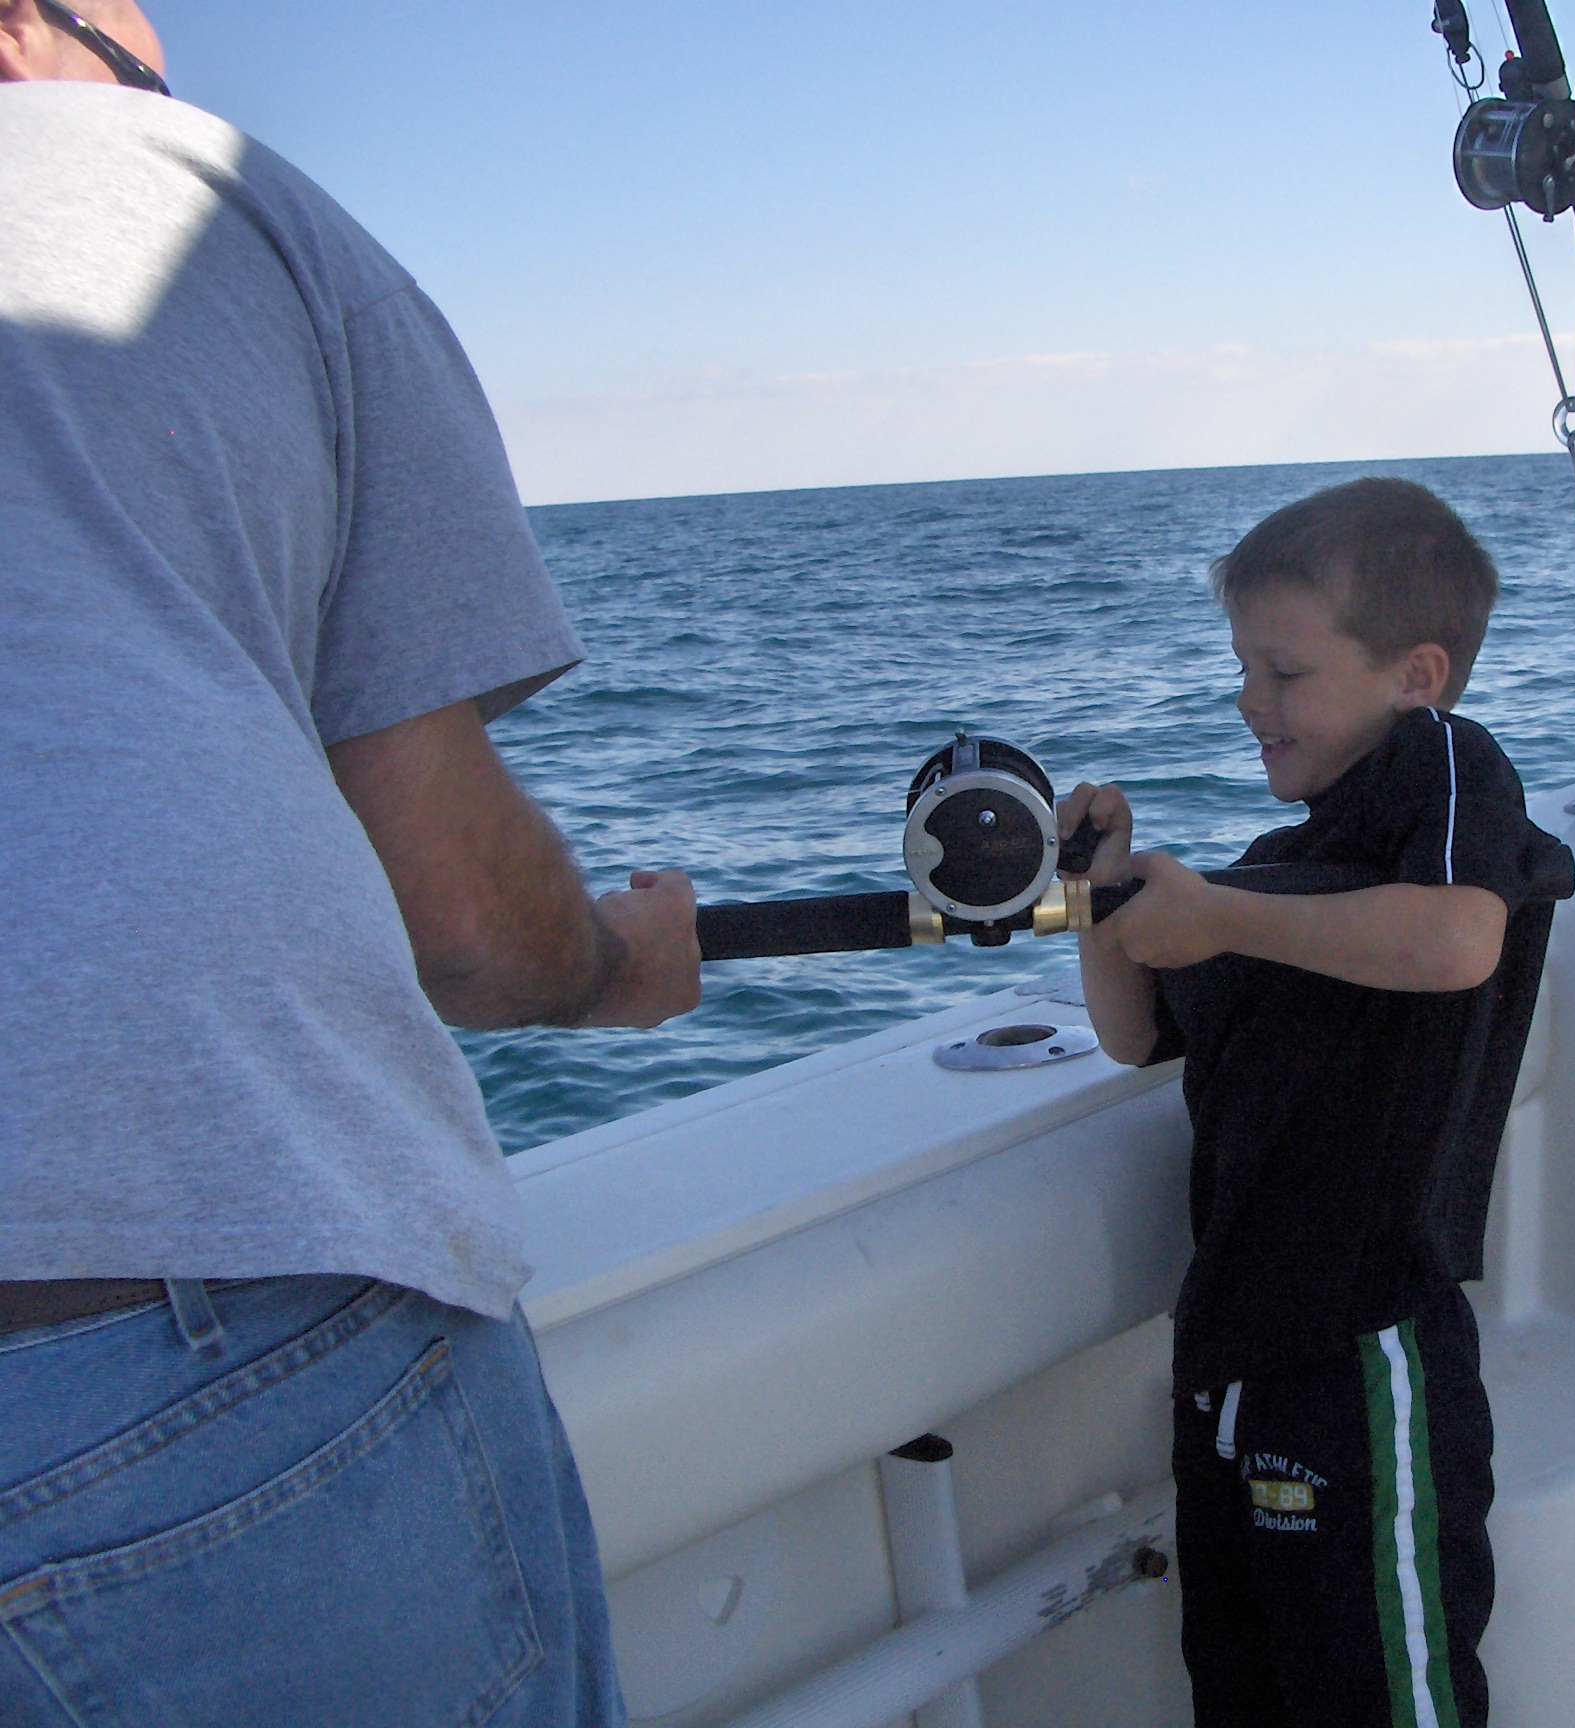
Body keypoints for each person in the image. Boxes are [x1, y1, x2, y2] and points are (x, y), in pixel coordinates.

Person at [0, 7, 700, 1723]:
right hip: (163, 1353)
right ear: (30, 33)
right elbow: (460, 917)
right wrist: (616, 965)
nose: (165, 98)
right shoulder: (222, 203)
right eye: (140, 57)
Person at [1061, 477, 1563, 1727]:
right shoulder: (1285, 877)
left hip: (1364, 1354)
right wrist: (1104, 897)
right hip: (1234, 1361)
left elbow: (1456, 943)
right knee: (1245, 1689)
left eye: (1284, 673)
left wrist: (1219, 913)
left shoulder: (1444, 772)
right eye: (1244, 669)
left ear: (1417, 673)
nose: (1249, 702)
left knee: (1383, 1696)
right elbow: (1134, 1035)